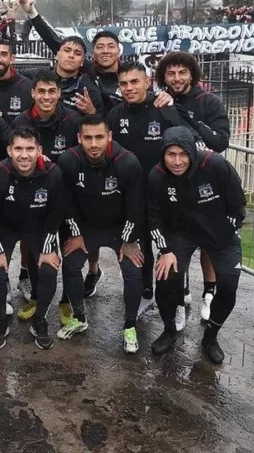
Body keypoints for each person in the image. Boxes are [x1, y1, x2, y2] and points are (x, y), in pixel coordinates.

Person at [147, 127, 246, 364]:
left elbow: (238, 205)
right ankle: (169, 330)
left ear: (192, 152)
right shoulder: (157, 175)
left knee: (229, 285)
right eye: (171, 154)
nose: (178, 161)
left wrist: (225, 233)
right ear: (163, 154)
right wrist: (165, 250)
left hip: (219, 232)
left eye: (183, 154)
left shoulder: (216, 165)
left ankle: (210, 337)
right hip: (181, 233)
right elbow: (153, 216)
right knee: (165, 278)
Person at [107, 61, 190, 324]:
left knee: (172, 249)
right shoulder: (115, 114)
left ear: (147, 82)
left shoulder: (164, 108)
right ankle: (146, 294)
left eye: (134, 82)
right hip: (132, 198)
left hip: (166, 196)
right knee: (140, 248)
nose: (129, 88)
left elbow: (183, 150)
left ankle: (177, 300)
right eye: (123, 84)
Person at [58, 114, 145, 352]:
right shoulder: (68, 160)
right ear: (79, 138)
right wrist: (75, 233)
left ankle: (129, 326)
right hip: (87, 227)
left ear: (109, 136)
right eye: (88, 138)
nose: (94, 144)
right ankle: (79, 317)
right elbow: (66, 204)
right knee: (70, 264)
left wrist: (128, 240)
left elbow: (136, 207)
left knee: (133, 269)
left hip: (120, 228)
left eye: (99, 137)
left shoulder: (128, 162)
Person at [155, 51, 231, 321]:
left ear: (192, 74)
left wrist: (182, 113)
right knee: (178, 239)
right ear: (164, 76)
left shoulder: (208, 101)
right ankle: (181, 291)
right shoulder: (160, 101)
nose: (176, 78)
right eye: (171, 73)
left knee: (208, 242)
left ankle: (208, 293)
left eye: (182, 72)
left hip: (208, 183)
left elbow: (219, 142)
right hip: (173, 184)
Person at [0, 127, 64, 350]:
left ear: (39, 150)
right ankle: (0, 322)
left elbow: (56, 215)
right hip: (6, 228)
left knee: (49, 269)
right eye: (18, 149)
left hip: (38, 228)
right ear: (9, 150)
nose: (24, 155)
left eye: (30, 149)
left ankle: (40, 321)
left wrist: (48, 249)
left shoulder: (53, 173)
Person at [10, 68, 81, 324]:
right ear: (33, 92)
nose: (46, 96)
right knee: (36, 249)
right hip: (35, 198)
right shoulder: (21, 121)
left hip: (68, 196)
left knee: (68, 250)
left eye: (52, 91)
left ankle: (66, 302)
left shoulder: (73, 120)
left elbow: (80, 158)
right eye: (41, 91)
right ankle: (37, 298)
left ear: (60, 93)